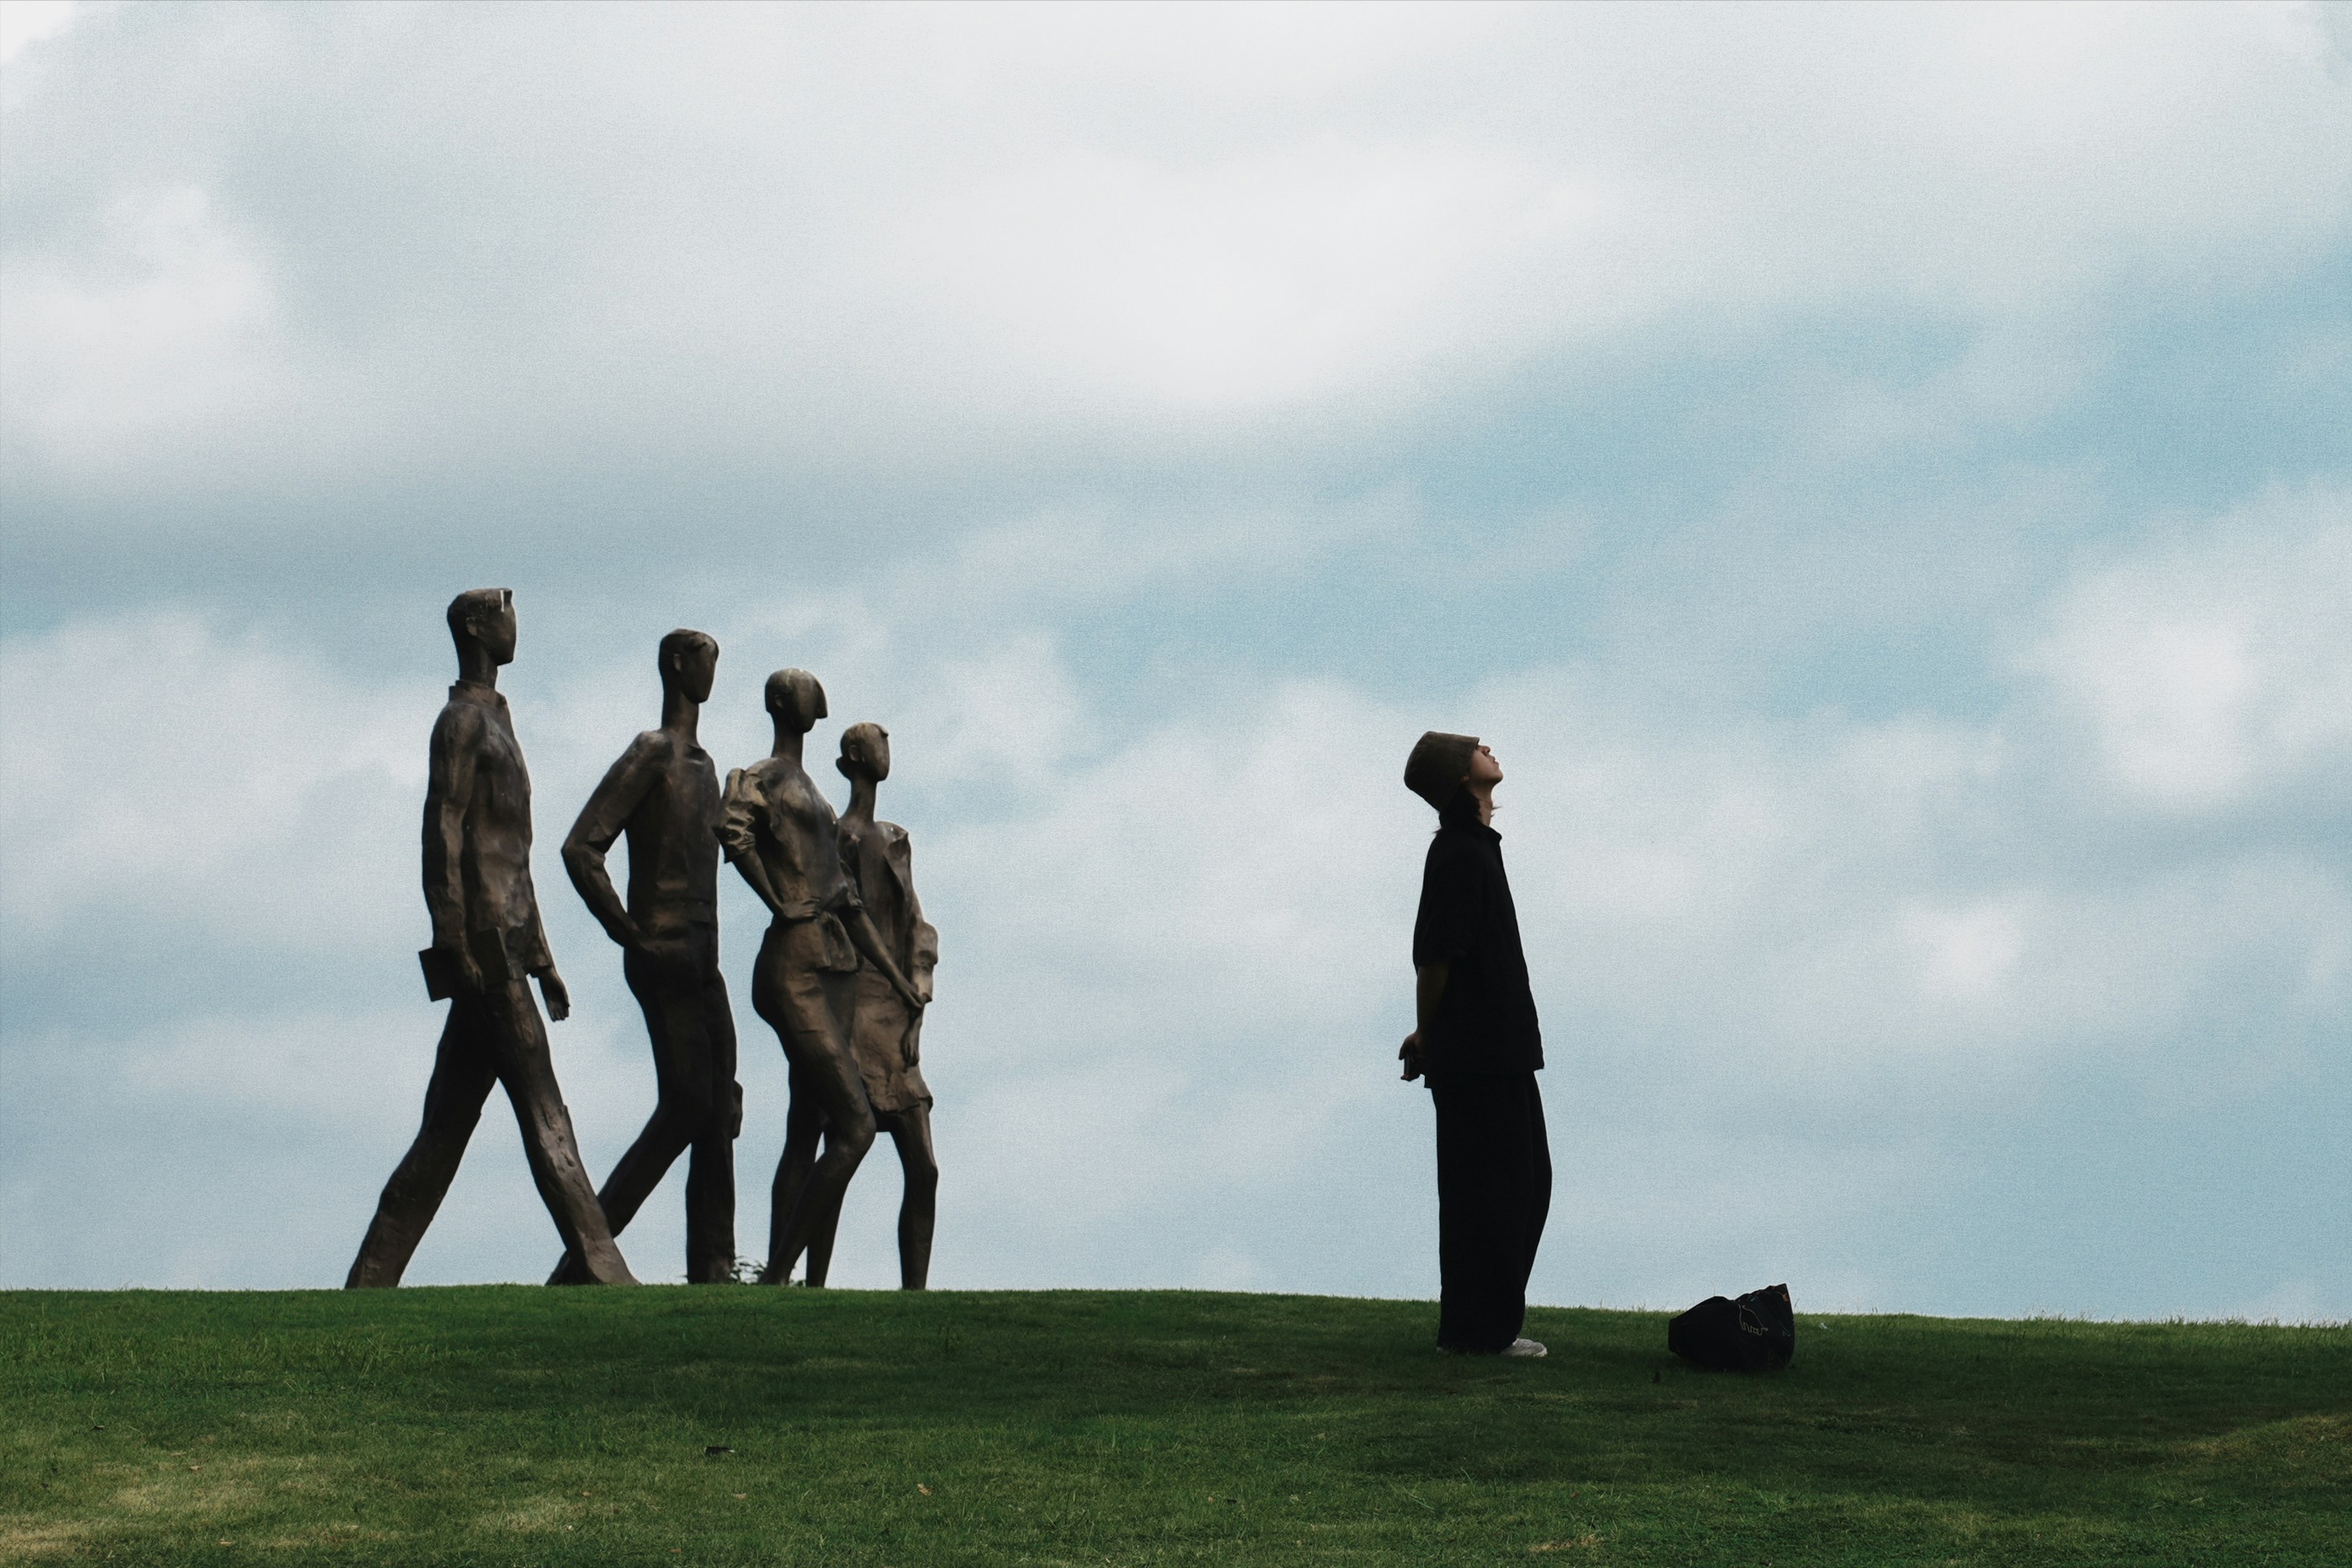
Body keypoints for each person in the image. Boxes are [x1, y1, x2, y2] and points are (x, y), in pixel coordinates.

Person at [347, 589, 636, 1288]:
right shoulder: (459, 723)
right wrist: (455, 942)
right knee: (545, 1109)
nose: (516, 624)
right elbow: (441, 831)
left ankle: (372, 1276)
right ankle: (603, 1267)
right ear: (477, 625)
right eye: (506, 610)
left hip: (506, 944)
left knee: (444, 1130)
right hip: (483, 949)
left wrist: (544, 960)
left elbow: (513, 855)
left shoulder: (497, 723)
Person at [548, 629, 742, 1286]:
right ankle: (586, 1259)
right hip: (664, 948)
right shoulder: (652, 752)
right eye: (705, 656)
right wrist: (628, 932)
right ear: (678, 665)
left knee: (719, 1110)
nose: (714, 669)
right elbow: (582, 848)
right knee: (688, 1104)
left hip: (705, 953)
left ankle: (714, 1267)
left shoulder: (708, 767)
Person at [719, 669, 926, 1286]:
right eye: (803, 688)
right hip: (796, 968)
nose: (816, 694)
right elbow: (732, 830)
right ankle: (777, 1276)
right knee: (856, 1125)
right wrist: (778, 900)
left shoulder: (817, 796)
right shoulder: (766, 777)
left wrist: (899, 981)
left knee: (812, 1124)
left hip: (833, 966)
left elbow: (851, 907)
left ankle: (801, 1283)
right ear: (785, 704)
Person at [1398, 730, 1549, 1356]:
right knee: (1490, 1193)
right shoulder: (1460, 852)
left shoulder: (1476, 848)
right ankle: (1476, 1334)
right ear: (1463, 776)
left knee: (1519, 1185)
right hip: (1479, 1050)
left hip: (1496, 1047)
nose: (1489, 748)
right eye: (1476, 748)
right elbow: (1434, 958)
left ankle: (1483, 1328)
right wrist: (1428, 1034)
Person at [829, 721, 940, 1288]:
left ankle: (914, 1293)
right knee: (844, 1148)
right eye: (877, 739)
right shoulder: (835, 838)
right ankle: (808, 1282)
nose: (887, 745)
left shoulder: (895, 839)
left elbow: (918, 925)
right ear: (853, 755)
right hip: (851, 1006)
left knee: (923, 1167)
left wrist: (918, 992)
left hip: (896, 1012)